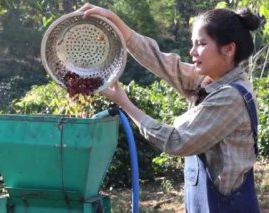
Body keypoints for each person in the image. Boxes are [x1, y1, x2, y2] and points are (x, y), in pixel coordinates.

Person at [78, 3, 261, 213]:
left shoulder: (230, 98)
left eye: (201, 44)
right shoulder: (208, 81)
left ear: (229, 49)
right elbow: (163, 63)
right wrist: (119, 26)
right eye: (193, 43)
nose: (192, 51)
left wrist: (125, 104)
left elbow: (177, 142)